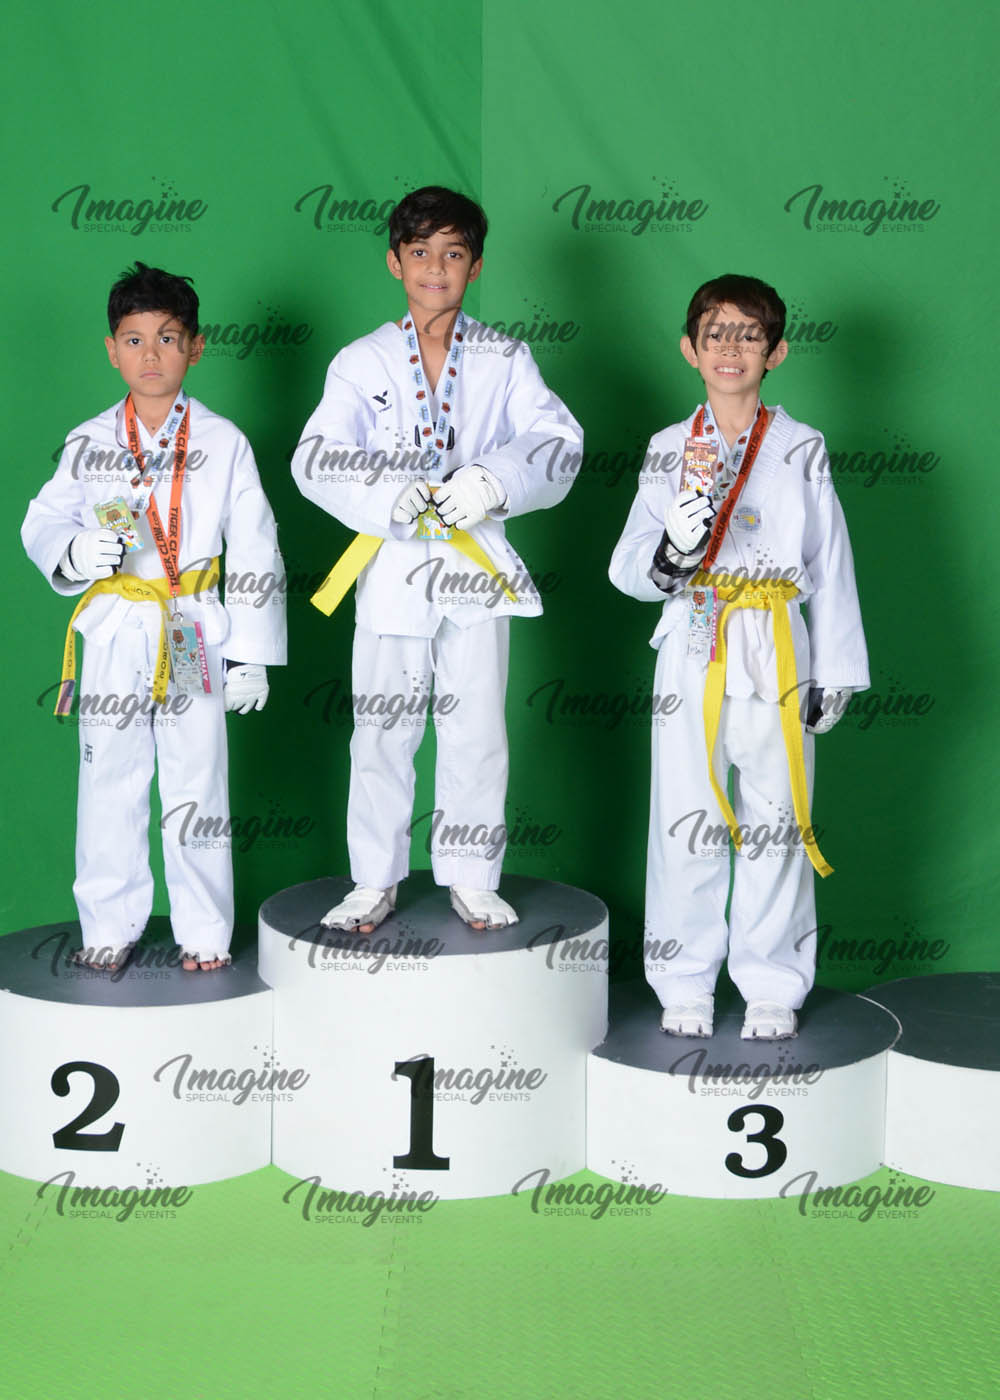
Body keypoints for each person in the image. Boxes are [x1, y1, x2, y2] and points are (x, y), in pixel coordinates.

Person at [292, 186, 580, 933]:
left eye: (453, 253)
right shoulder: (361, 361)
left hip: (474, 565)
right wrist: (390, 492)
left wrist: (491, 481)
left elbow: (557, 442)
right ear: (395, 262)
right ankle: (373, 879)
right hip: (391, 567)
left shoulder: (506, 357)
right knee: (380, 730)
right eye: (420, 252)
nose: (435, 268)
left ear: (474, 266)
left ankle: (473, 876)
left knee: (477, 729)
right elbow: (315, 458)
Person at [609, 274, 868, 1039]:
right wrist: (672, 550)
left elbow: (832, 562)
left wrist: (837, 671)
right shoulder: (668, 449)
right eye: (715, 333)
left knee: (777, 818)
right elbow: (627, 567)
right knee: (684, 815)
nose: (731, 347)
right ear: (690, 349)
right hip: (694, 637)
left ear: (775, 352)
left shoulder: (802, 446)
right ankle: (683, 980)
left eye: (749, 334)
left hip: (779, 642)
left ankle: (772, 983)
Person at [22, 263, 286, 972]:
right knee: (109, 778)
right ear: (112, 349)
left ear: (195, 347)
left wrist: (251, 654)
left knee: (197, 782)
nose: (150, 355)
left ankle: (205, 931)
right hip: (116, 623)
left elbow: (255, 545)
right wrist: (75, 549)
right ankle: (108, 924)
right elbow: (41, 521)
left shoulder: (224, 441)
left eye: (168, 338)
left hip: (192, 624)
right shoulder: (87, 440)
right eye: (134, 340)